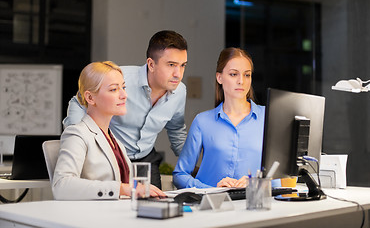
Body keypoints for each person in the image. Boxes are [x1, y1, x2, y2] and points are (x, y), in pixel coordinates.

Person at [62, 30, 188, 189]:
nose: (178, 74)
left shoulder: (179, 92)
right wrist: (78, 139)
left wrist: (190, 165)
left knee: (155, 207)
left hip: (146, 158)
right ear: (151, 64)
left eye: (183, 65)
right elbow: (79, 101)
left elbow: (176, 129)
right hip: (112, 157)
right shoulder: (120, 79)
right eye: (171, 65)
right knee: (112, 206)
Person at [53, 61, 165, 200]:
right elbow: (61, 186)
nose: (124, 95)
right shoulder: (77, 134)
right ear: (90, 98)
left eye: (123, 87)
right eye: (114, 89)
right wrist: (122, 188)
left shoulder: (114, 140)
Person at [173, 47, 265, 189]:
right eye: (234, 74)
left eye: (247, 75)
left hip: (252, 205)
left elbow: (285, 177)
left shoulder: (267, 118)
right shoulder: (202, 122)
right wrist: (210, 190)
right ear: (219, 78)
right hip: (212, 206)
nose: (241, 81)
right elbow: (180, 175)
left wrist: (257, 183)